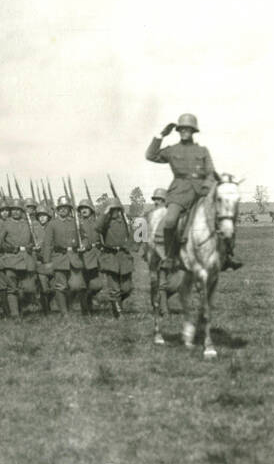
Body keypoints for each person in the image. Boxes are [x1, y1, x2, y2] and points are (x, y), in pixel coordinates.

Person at [146, 113, 241, 270]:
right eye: (182, 129)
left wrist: (206, 187)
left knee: (225, 216)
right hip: (179, 193)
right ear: (178, 131)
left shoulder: (202, 151)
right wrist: (160, 135)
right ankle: (169, 257)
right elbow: (150, 155)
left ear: (193, 131)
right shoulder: (172, 150)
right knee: (170, 221)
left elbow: (210, 172)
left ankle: (228, 254)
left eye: (188, 129)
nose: (184, 131)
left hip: (201, 192)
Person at [97, 199, 135, 317]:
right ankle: (118, 313)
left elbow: (134, 236)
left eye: (117, 209)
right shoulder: (104, 223)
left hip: (124, 256)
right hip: (110, 256)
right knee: (114, 288)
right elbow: (97, 227)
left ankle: (116, 302)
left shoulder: (125, 221)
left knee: (127, 288)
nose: (115, 212)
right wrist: (105, 213)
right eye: (112, 210)